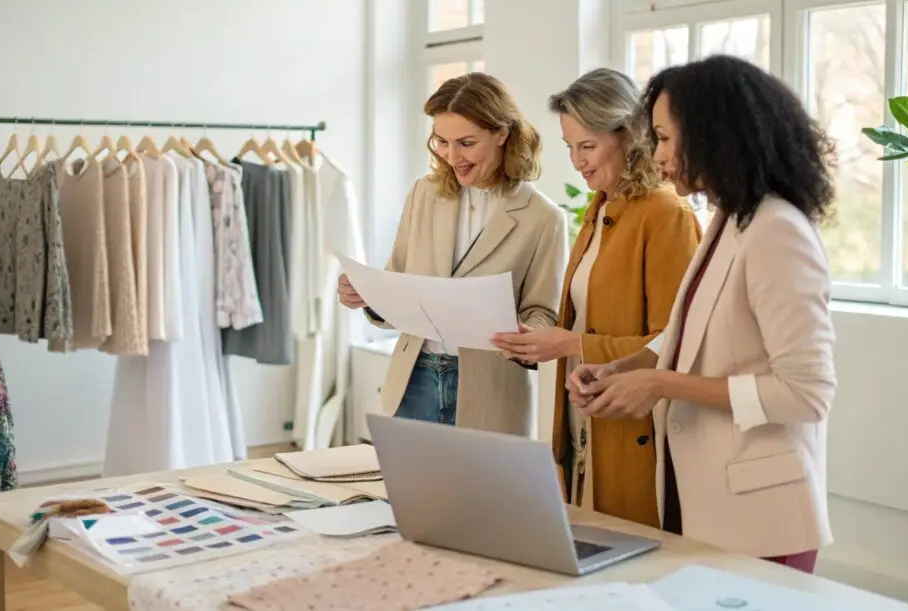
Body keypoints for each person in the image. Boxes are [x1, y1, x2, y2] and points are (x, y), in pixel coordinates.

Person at [568, 55, 837, 573]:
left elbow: (807, 393)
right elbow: (684, 333)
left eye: (665, 138)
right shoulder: (728, 218)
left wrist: (662, 384)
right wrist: (620, 370)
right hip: (701, 500)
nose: (655, 152)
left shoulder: (777, 230)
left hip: (761, 516)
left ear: (713, 134)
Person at [491, 68, 700, 527]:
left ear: (630, 136)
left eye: (587, 146)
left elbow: (676, 343)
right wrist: (541, 340)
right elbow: (584, 318)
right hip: (583, 423)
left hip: (633, 428)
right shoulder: (600, 207)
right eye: (569, 147)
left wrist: (569, 345)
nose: (577, 161)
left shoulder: (666, 214)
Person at [338, 72, 567, 436]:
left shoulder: (544, 218)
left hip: (490, 389)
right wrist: (367, 295)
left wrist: (527, 334)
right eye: (441, 141)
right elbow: (396, 275)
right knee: (411, 491)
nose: (451, 155)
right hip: (414, 378)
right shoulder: (423, 194)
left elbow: (544, 311)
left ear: (502, 134)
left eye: (466, 143)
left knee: (483, 494)